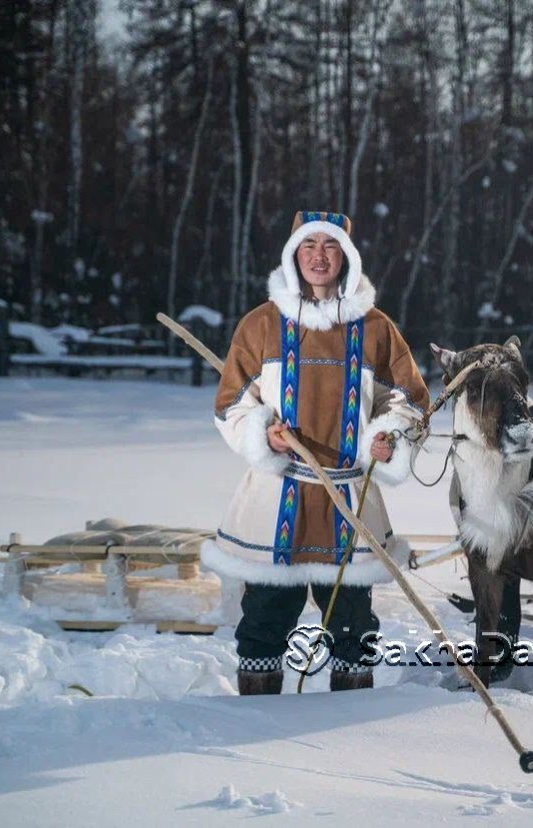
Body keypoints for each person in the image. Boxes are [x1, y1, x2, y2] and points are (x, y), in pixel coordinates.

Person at [203, 210, 430, 695]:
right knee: (263, 621)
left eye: (330, 247)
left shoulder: (375, 328)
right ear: (293, 255)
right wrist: (264, 435)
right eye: (310, 246)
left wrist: (388, 437)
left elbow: (411, 401)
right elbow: (229, 406)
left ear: (346, 257)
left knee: (352, 627)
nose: (319, 256)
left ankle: (346, 738)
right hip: (276, 496)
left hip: (348, 498)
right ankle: (260, 728)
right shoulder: (261, 325)